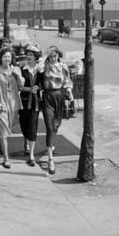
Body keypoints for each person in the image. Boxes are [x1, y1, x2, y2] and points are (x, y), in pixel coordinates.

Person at [37, 46, 73, 175]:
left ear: (58, 55)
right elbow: (39, 68)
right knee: (49, 126)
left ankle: (51, 143)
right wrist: (44, 57)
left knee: (56, 124)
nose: (52, 58)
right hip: (47, 96)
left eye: (54, 55)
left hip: (59, 96)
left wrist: (69, 92)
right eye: (50, 56)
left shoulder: (63, 67)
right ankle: (50, 159)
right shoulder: (45, 66)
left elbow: (67, 81)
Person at [0, 47, 23, 169]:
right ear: (0, 58)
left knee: (7, 128)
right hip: (2, 104)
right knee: (4, 132)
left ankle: (2, 145)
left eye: (9, 57)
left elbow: (21, 85)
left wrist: (17, 75)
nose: (7, 59)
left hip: (13, 104)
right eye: (5, 57)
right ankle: (6, 158)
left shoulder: (15, 69)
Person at [18, 45, 42, 166]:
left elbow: (44, 84)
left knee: (33, 126)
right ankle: (25, 140)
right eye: (28, 55)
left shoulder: (40, 70)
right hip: (24, 101)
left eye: (31, 55)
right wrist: (29, 88)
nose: (28, 57)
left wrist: (39, 87)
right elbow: (19, 86)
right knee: (23, 124)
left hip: (35, 103)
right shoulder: (22, 69)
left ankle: (31, 155)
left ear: (35, 57)